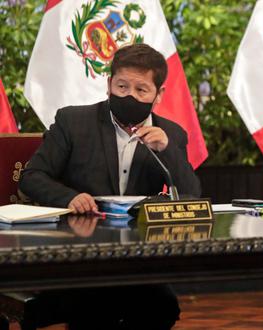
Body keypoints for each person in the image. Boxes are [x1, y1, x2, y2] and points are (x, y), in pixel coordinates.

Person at [19, 43, 201, 330]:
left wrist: (167, 150)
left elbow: (191, 194)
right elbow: (32, 176)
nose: (130, 95)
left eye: (141, 90)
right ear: (109, 85)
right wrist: (71, 197)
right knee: (95, 309)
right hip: (79, 257)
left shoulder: (171, 134)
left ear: (159, 95)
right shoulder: (73, 121)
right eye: (122, 86)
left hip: (137, 263)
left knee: (163, 307)